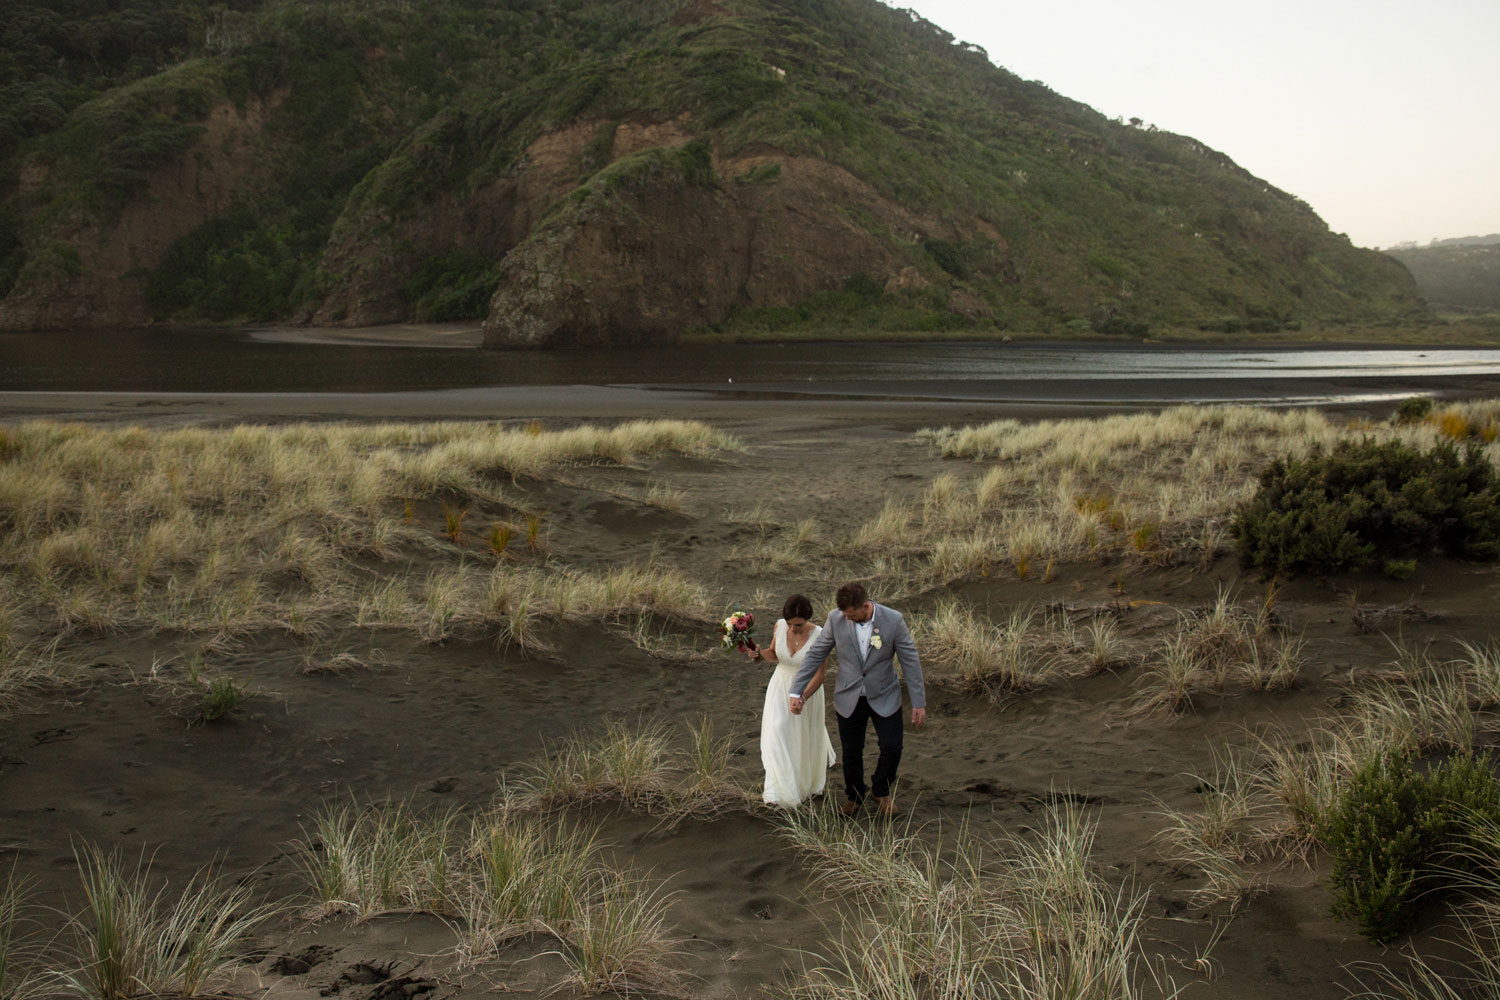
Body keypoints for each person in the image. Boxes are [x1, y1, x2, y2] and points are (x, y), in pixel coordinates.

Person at [789, 581, 924, 817]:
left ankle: (881, 789)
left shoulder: (893, 620)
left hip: (885, 694)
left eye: (852, 615)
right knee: (852, 751)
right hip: (848, 696)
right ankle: (855, 795)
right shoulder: (836, 619)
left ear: (865, 605)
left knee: (892, 747)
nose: (848, 619)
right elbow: (816, 654)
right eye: (845, 615)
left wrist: (918, 702)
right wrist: (796, 690)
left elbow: (910, 660)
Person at [744, 594, 836, 806]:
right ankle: (777, 792)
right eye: (791, 624)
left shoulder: (821, 635)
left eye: (799, 625)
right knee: (777, 732)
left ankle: (802, 784)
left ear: (807, 619)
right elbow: (774, 655)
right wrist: (758, 653)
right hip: (780, 687)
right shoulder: (779, 627)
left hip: (807, 691)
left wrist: (802, 697)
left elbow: (820, 674)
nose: (794, 629)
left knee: (802, 738)